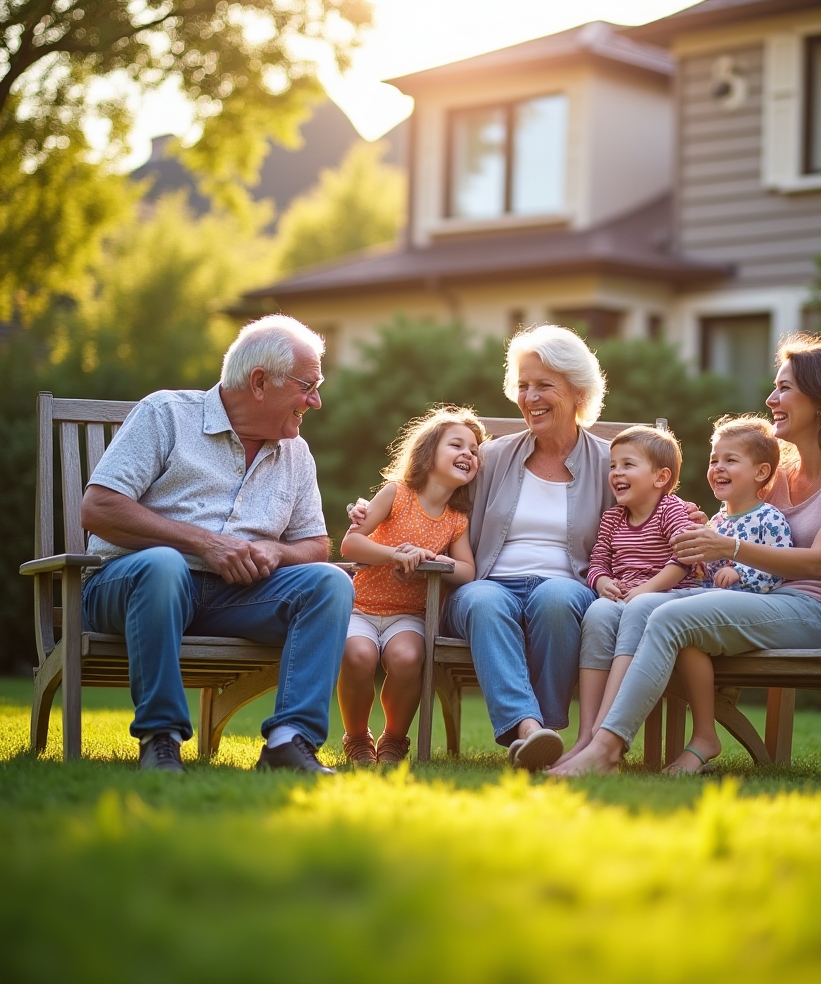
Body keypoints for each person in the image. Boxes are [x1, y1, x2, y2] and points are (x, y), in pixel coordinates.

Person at [552, 333, 821, 777]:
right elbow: (731, 523)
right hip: (764, 601)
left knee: (667, 617)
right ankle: (593, 739)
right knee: (628, 608)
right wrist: (697, 527)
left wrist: (731, 548)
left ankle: (607, 750)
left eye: (784, 388)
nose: (770, 397)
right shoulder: (779, 474)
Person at [80, 314, 354, 774]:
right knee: (164, 564)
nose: (317, 401)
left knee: (329, 583)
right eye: (308, 386)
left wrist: (278, 552)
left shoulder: (296, 453)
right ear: (260, 382)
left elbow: (314, 543)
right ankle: (161, 738)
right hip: (132, 586)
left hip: (235, 598)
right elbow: (99, 508)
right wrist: (205, 543)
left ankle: (290, 741)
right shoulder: (166, 414)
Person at [436, 325, 613, 771]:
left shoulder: (611, 462)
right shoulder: (491, 458)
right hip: (488, 584)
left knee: (557, 598)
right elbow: (432, 498)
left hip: (568, 587)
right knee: (482, 599)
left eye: (543, 386)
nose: (530, 396)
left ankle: (541, 733)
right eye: (523, 385)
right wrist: (376, 512)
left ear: (578, 393)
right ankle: (532, 731)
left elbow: (649, 515)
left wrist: (683, 516)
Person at [338, 407, 483, 766]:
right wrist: (396, 555)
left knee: (407, 658)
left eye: (475, 450)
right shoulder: (396, 493)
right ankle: (357, 738)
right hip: (363, 607)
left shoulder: (456, 520)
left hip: (410, 615)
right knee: (358, 656)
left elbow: (466, 571)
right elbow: (351, 545)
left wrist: (434, 560)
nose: (468, 453)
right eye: (457, 444)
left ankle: (394, 740)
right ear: (429, 451)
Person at [555, 425, 705, 766]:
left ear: (660, 477)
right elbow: (597, 563)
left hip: (664, 597)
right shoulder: (612, 519)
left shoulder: (671, 510)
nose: (616, 473)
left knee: (634, 610)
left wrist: (644, 589)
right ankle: (588, 735)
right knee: (596, 613)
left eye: (627, 465)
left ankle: (605, 737)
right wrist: (602, 583)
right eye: (613, 466)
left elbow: (684, 558)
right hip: (623, 600)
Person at [702, 415, 793, 593]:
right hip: (707, 598)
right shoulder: (716, 521)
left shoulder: (769, 519)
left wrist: (740, 573)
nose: (718, 467)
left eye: (730, 460)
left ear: (760, 472)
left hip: (744, 607)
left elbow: (778, 569)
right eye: (714, 460)